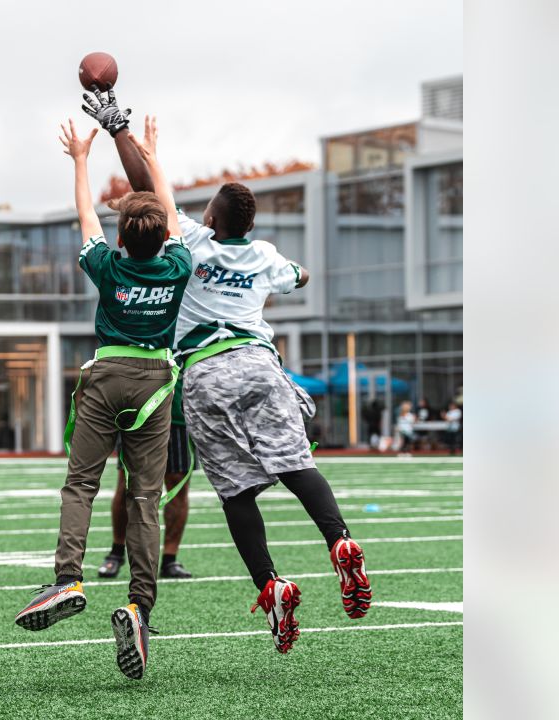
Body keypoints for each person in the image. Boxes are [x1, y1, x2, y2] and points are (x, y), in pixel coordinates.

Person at [89, 102, 371, 654]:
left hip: (204, 373)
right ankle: (338, 540)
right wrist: (268, 276)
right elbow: (301, 276)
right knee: (296, 463)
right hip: (259, 366)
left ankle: (271, 583)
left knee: (238, 492)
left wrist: (119, 129)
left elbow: (146, 181)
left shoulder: (191, 241)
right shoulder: (265, 254)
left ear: (211, 219)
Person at [14, 117, 190, 683]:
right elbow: (168, 205)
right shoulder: (179, 263)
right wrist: (153, 155)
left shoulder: (108, 264)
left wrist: (81, 158)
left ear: (122, 239)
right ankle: (140, 606)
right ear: (165, 236)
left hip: (107, 371)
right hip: (156, 381)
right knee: (145, 497)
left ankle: (68, 578)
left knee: (81, 483)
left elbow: (85, 213)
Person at [98, 375, 194, 580]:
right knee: (127, 484)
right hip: (139, 410)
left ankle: (170, 558)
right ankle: (116, 552)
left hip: (178, 413)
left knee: (178, 483)